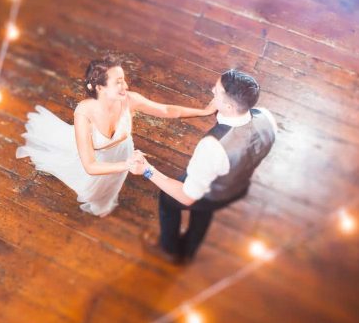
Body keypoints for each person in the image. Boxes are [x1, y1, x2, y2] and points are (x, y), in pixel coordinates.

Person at [17, 55, 215, 217]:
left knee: (111, 182)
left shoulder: (130, 100)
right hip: (98, 159)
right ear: (100, 87)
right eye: (119, 82)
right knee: (91, 184)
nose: (126, 86)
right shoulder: (84, 113)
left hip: (122, 152)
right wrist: (128, 166)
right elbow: (90, 166)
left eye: (124, 80)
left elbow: (166, 110)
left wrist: (205, 112)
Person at [135, 70, 277, 264]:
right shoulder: (267, 118)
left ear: (228, 105)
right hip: (237, 187)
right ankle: (189, 251)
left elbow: (187, 196)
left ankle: (169, 249)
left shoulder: (212, 147)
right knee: (204, 210)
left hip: (209, 191)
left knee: (168, 200)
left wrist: (147, 170)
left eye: (216, 92)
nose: (212, 90)